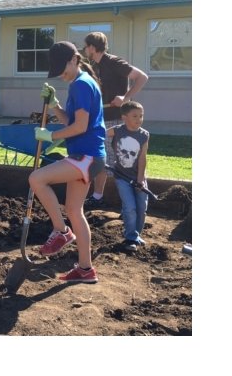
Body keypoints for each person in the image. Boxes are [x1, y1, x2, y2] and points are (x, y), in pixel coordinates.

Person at [28, 41, 106, 283]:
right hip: (88, 157)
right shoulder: (80, 84)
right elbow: (70, 122)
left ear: (74, 59)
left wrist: (50, 136)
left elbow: (80, 127)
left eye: (62, 68)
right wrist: (55, 106)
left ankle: (61, 232)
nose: (60, 74)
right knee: (74, 210)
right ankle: (85, 269)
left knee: (36, 179)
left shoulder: (81, 85)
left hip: (86, 156)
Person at [83, 31, 148, 207]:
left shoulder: (114, 62)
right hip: (102, 119)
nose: (85, 50)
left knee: (124, 161)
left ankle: (133, 201)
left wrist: (125, 99)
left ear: (92, 47)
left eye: (86, 46)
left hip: (118, 120)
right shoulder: (94, 66)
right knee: (101, 158)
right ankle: (97, 197)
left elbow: (142, 77)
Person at [108, 100, 150, 252]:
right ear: (124, 117)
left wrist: (140, 179)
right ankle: (131, 237)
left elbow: (143, 158)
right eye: (135, 116)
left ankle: (137, 234)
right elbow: (98, 133)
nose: (139, 119)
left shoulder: (144, 135)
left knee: (141, 208)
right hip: (122, 177)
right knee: (130, 207)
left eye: (141, 116)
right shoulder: (118, 130)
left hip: (139, 177)